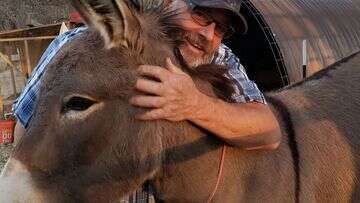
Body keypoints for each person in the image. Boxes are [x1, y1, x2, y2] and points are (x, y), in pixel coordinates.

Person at [12, 0, 281, 201]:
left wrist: (195, 104)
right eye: (200, 14)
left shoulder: (219, 57)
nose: (208, 35)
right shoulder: (78, 48)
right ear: (168, 2)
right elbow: (25, 126)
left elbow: (268, 131)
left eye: (221, 28)